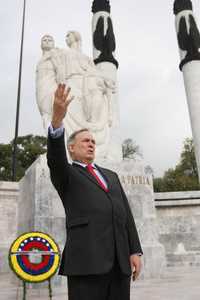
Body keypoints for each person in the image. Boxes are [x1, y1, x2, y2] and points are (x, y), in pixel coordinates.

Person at [47, 84, 143, 300]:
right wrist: (56, 121)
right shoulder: (67, 175)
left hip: (119, 265)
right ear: (71, 147)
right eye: (85, 141)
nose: (91, 144)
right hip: (87, 263)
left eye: (93, 141)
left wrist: (134, 251)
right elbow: (55, 158)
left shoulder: (111, 176)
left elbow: (125, 216)